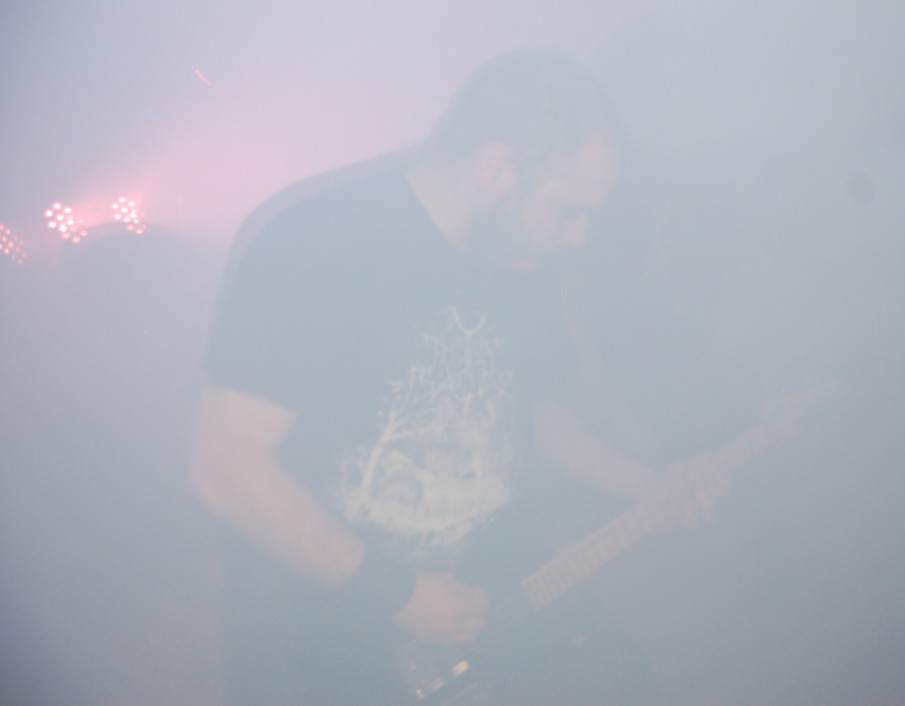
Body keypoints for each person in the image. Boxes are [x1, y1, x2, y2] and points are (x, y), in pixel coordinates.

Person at [188, 49, 725, 706]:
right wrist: (395, 592)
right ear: (496, 168)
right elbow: (227, 466)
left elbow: (526, 413)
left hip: (502, 597)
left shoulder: (516, 256)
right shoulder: (314, 244)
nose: (579, 237)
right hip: (348, 636)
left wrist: (648, 487)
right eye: (569, 209)